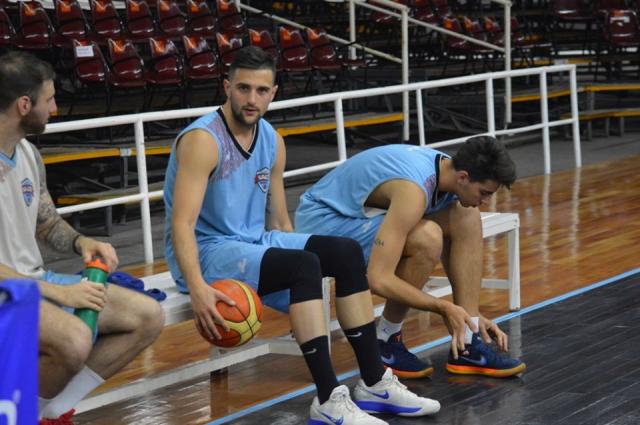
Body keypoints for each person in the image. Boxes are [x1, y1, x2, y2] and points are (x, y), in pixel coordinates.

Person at [164, 46, 440, 424]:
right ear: (226, 86)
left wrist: (302, 299)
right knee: (303, 266)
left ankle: (375, 383)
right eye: (243, 88)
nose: (251, 99)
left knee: (342, 253)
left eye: (261, 91)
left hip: (253, 241)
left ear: (273, 92)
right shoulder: (203, 141)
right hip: (208, 252)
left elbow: (280, 223)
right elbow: (182, 224)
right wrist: (196, 288)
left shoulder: (271, 140)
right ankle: (328, 401)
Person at [0, 51, 165, 424]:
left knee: (147, 316)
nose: (55, 108)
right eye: (50, 99)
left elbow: (46, 222)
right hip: (10, 292)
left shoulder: (27, 153)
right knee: (74, 340)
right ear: (24, 105)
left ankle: (45, 412)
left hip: (34, 283)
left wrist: (81, 243)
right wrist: (61, 294)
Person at [295, 137, 526, 379]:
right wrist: (444, 308)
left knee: (467, 217)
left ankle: (468, 340)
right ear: (463, 178)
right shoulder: (413, 190)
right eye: (484, 192)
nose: (487, 200)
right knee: (428, 238)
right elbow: (378, 279)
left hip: (356, 215)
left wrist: (469, 317)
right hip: (321, 224)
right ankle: (385, 338)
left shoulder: (447, 170)